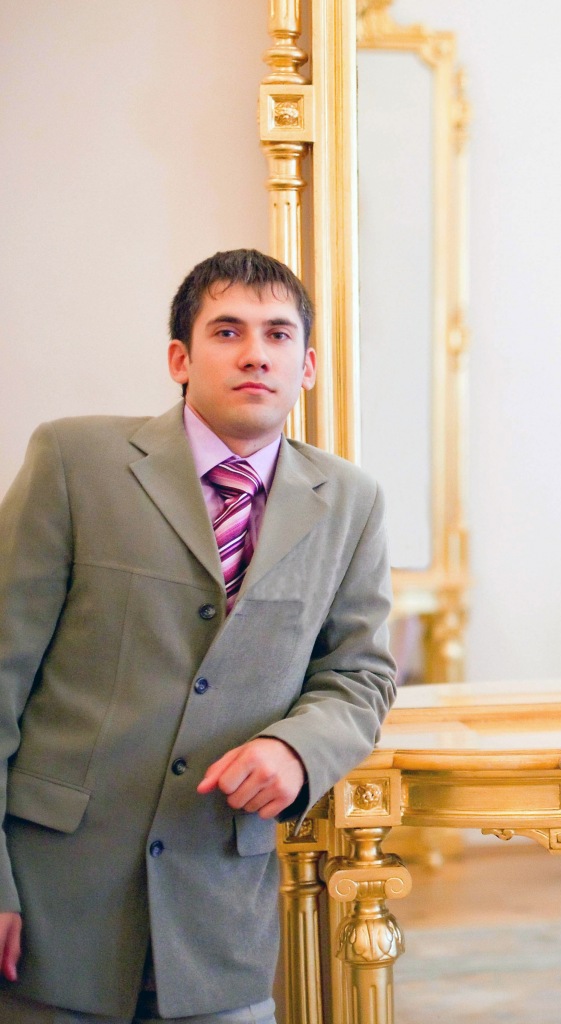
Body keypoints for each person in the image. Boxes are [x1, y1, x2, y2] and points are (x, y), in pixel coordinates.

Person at [0, 249, 396, 1023]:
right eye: (227, 330)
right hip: (53, 907)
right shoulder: (74, 462)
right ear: (180, 359)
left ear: (307, 366)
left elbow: (360, 675)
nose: (255, 354)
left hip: (220, 912)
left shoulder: (352, 502)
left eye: (277, 334)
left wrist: (296, 749)